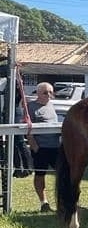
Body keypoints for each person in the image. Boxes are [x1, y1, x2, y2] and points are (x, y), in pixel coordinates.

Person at [25, 82, 60, 212]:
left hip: (55, 147)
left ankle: (65, 201)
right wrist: (35, 147)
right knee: (40, 175)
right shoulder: (31, 107)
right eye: (46, 92)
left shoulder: (51, 106)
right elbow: (28, 129)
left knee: (62, 173)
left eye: (51, 92)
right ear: (38, 93)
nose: (49, 95)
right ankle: (44, 203)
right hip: (41, 148)